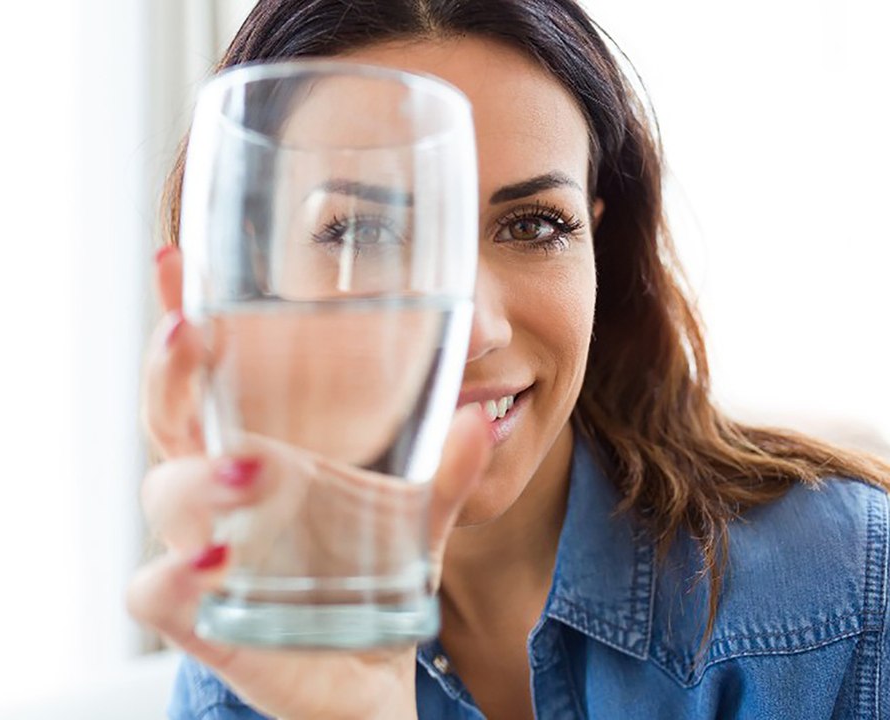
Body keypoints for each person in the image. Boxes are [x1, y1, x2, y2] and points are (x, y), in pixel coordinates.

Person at [128, 1, 890, 718]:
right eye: (363, 232)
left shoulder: (842, 601)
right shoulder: (249, 661)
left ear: (598, 246)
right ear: (249, 273)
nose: (470, 330)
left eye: (531, 226)